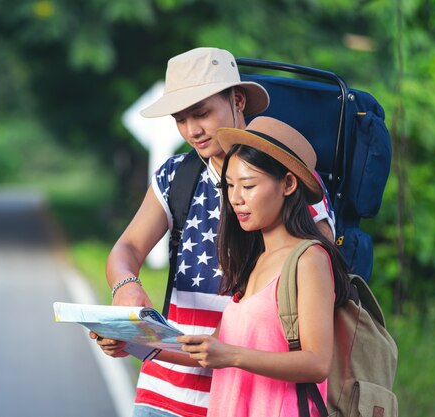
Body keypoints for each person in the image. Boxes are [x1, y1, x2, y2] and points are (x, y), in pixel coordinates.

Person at [93, 47, 335, 417]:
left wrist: (235, 353)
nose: (192, 130)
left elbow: (316, 278)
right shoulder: (177, 175)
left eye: (202, 113)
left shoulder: (291, 179)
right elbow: (126, 248)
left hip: (254, 394)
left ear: (238, 100)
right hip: (165, 389)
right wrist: (126, 289)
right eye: (180, 119)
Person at [148, 117, 351, 417]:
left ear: (288, 184)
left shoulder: (309, 259)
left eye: (248, 185)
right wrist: (134, 344)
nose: (235, 199)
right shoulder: (254, 260)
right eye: (229, 186)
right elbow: (209, 349)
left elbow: (317, 363)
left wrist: (230, 356)